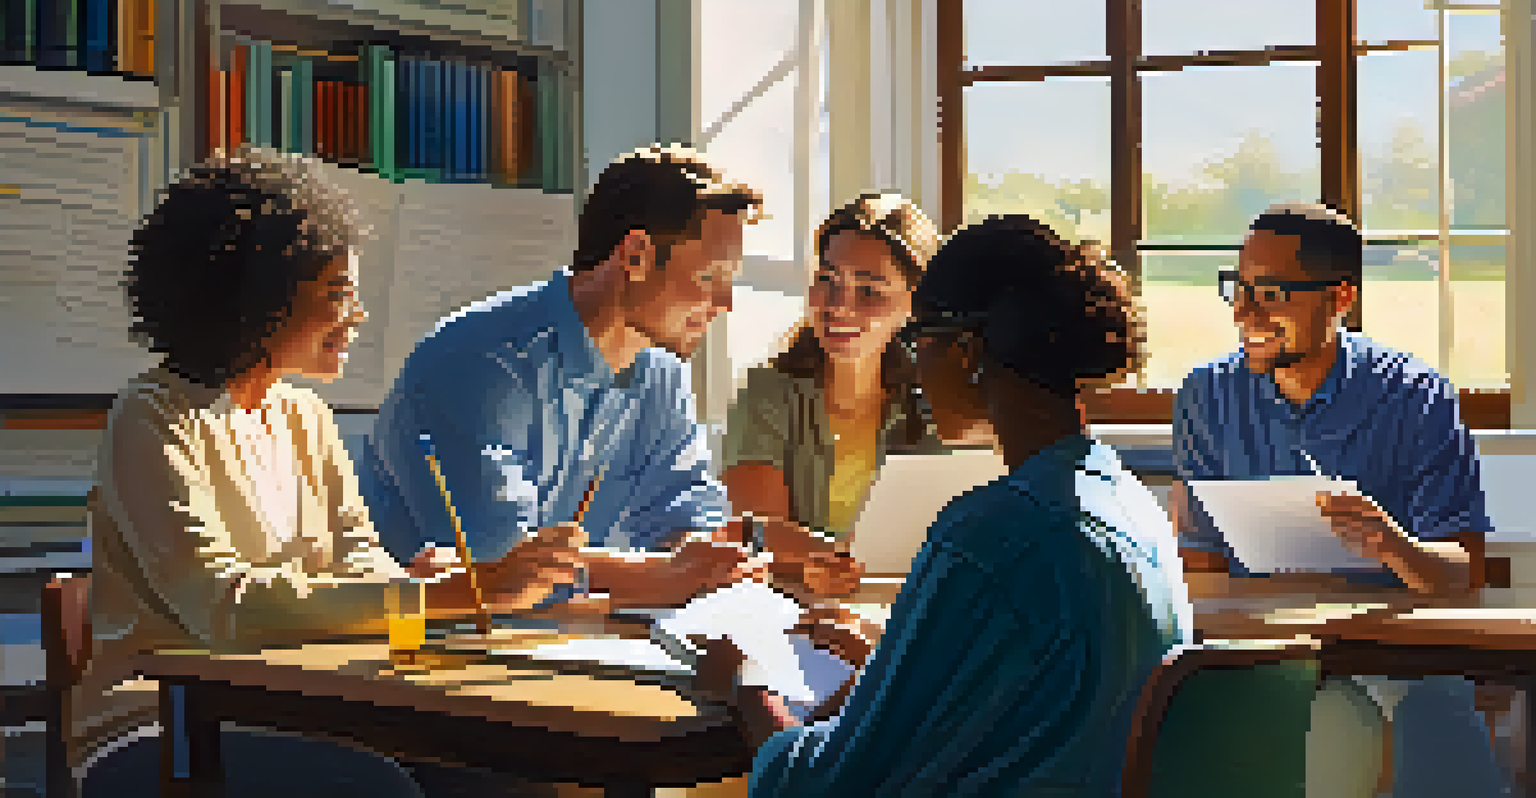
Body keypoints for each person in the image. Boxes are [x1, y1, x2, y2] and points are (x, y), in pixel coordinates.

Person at [78, 147, 581, 797]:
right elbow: (223, 607)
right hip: (158, 728)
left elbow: (358, 561)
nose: (358, 316)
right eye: (338, 294)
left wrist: (427, 583)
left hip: (297, 709)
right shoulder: (152, 418)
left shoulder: (305, 417)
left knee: (505, 779)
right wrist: (451, 595)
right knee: (371, 791)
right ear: (257, 301)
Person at [698, 214, 1194, 796]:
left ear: (964, 353)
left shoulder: (990, 536)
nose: (913, 365)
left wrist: (748, 684)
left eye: (916, 341)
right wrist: (893, 661)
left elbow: (820, 787)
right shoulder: (1132, 505)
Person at [358, 144, 862, 611]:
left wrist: (730, 553)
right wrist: (667, 577)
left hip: (554, 646)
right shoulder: (479, 365)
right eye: (710, 277)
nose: (725, 303)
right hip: (412, 660)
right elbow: (505, 568)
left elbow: (685, 514)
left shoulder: (660, 369)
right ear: (636, 256)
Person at [1171, 202, 1506, 797]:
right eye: (1238, 288)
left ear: (1340, 298)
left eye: (1271, 294)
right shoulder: (1206, 397)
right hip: (1263, 652)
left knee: (1433, 718)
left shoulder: (1417, 397)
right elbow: (1199, 566)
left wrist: (1395, 547)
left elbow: (1464, 571)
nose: (1244, 313)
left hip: (1397, 655)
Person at [723, 192, 943, 543]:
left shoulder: (933, 405)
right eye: (828, 279)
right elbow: (757, 539)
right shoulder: (766, 396)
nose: (839, 307)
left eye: (870, 290)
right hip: (790, 598)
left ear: (914, 305)